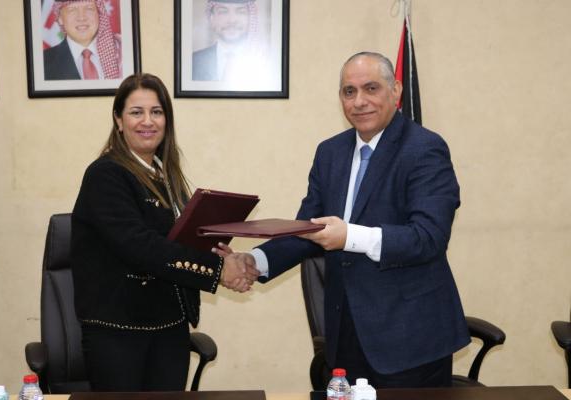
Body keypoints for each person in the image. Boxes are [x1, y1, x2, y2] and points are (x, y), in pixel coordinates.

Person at [218, 52, 470, 388]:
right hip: (345, 335)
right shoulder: (330, 152)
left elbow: (428, 237)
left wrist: (349, 236)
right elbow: (307, 228)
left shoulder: (424, 148)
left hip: (410, 339)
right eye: (349, 91)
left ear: (395, 91)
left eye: (371, 88)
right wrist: (255, 261)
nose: (359, 101)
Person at [71, 73, 258, 391]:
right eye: (136, 112)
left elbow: (179, 240)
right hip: (120, 333)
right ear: (118, 120)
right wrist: (218, 270)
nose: (148, 121)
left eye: (156, 112)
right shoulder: (105, 175)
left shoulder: (166, 175)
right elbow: (140, 246)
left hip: (169, 328)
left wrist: (218, 253)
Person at [192, 0, 269, 83]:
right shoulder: (193, 62)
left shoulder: (267, 61)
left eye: (240, 12)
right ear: (212, 19)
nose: (232, 20)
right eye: (223, 12)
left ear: (250, 18)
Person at [44, 0, 121, 80]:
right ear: (60, 18)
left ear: (99, 13)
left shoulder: (121, 53)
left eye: (89, 8)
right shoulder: (43, 63)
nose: (82, 18)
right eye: (72, 10)